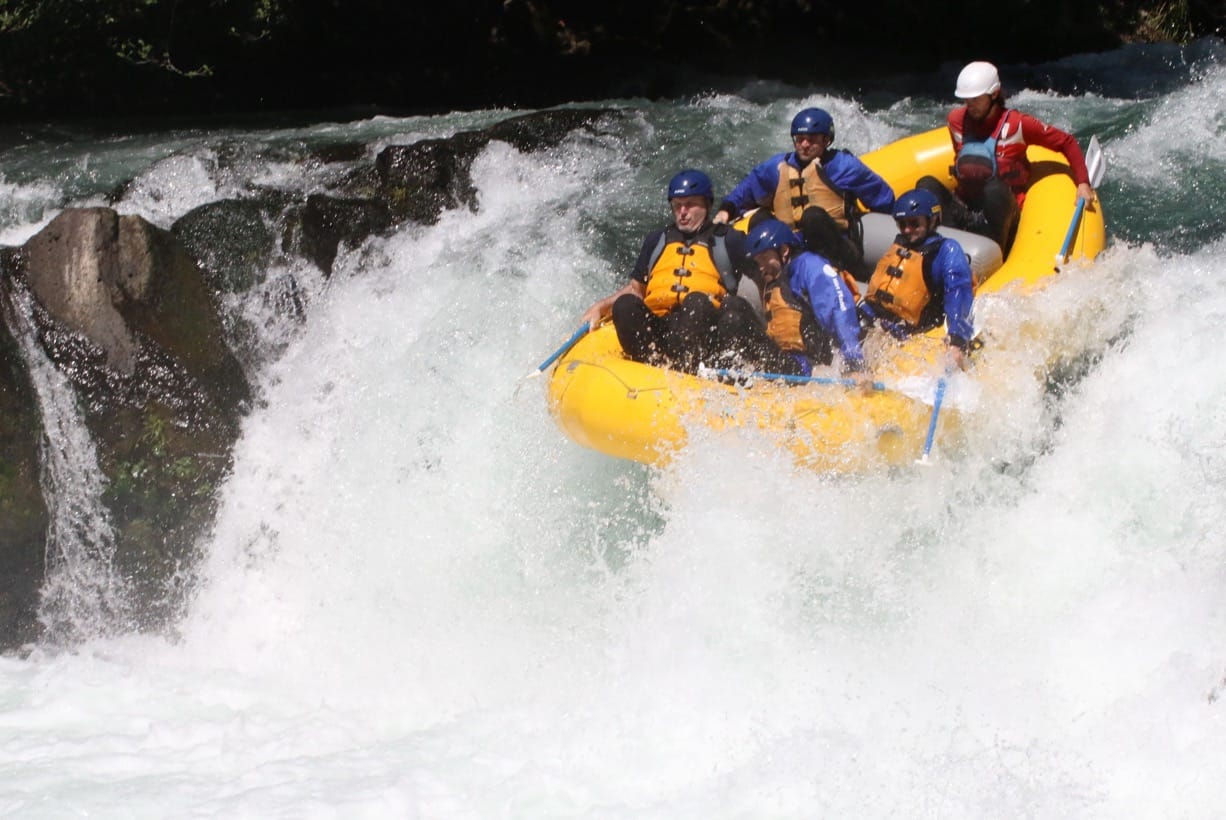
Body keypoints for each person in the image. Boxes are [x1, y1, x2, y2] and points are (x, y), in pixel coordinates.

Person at [580, 169, 759, 373]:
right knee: (625, 305)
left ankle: (688, 371)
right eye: (677, 205)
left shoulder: (728, 239)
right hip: (660, 328)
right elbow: (636, 289)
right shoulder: (657, 240)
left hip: (704, 329)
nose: (682, 211)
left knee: (697, 302)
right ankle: (648, 369)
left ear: (707, 204)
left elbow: (761, 283)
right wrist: (601, 307)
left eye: (690, 204)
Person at [918, 60, 1096, 253]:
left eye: (976, 100)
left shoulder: (1018, 124)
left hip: (1004, 215)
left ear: (994, 94)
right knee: (926, 185)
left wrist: (1083, 183)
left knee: (994, 189)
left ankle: (988, 260)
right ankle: (935, 253)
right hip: (965, 209)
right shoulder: (956, 121)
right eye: (966, 100)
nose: (970, 106)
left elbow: (1066, 142)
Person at [712, 107, 896, 280]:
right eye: (800, 139)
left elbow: (883, 198)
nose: (805, 145)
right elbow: (747, 189)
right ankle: (770, 281)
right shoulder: (778, 167)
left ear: (826, 140)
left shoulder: (844, 166)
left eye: (812, 139)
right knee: (760, 219)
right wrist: (725, 211)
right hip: (793, 248)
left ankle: (850, 276)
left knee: (812, 216)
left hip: (836, 246)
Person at [714, 218, 869, 382]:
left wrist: (854, 364)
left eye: (765, 257)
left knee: (734, 321)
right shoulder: (777, 279)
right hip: (786, 360)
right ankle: (727, 372)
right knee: (732, 305)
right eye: (758, 261)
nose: (761, 266)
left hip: (806, 369)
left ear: (784, 250)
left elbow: (838, 310)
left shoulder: (809, 267)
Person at [858, 189, 974, 370]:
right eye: (902, 224)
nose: (907, 230)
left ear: (933, 220)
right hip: (881, 323)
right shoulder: (901, 246)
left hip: (913, 332)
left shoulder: (946, 251)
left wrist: (957, 341)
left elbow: (957, 292)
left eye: (914, 223)